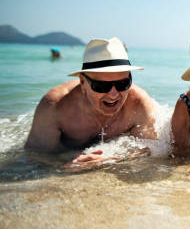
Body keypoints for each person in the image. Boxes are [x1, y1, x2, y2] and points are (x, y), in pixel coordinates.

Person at [25, 37, 157, 168]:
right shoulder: (55, 106)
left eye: (123, 83)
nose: (113, 94)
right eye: (101, 86)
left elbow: (150, 152)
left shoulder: (139, 104)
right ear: (82, 82)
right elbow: (34, 157)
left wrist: (113, 160)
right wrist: (66, 165)